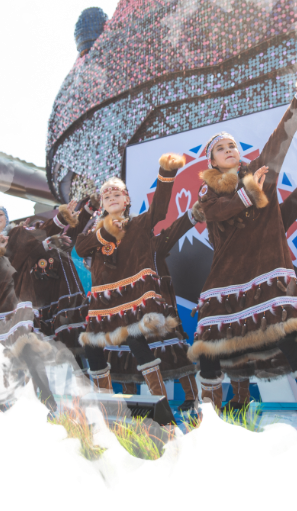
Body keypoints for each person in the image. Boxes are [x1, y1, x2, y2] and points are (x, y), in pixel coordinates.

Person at [187, 70, 297, 433]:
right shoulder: (208, 195)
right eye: (221, 148)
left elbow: (280, 142)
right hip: (225, 278)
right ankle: (215, 417)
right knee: (212, 349)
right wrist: (248, 192)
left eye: (233, 145)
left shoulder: (260, 171)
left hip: (264, 271)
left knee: (287, 336)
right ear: (212, 162)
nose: (230, 149)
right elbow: (220, 212)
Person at [216, 161, 297, 413]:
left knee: (289, 341)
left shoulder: (267, 216)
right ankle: (240, 399)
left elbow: (292, 206)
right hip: (235, 291)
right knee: (235, 344)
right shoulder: (220, 218)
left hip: (269, 290)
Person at [75, 153, 186, 399]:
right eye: (107, 197)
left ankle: (159, 402)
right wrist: (106, 231)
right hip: (104, 301)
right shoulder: (96, 234)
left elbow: (159, 210)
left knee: (136, 342)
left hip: (131, 297)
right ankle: (103, 403)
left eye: (117, 194)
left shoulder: (138, 223)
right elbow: (80, 247)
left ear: (126, 200)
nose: (112, 199)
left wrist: (166, 173)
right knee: (91, 346)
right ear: (102, 205)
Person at [0, 202, 77, 413]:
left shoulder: (18, 233)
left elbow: (42, 231)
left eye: (0, 214)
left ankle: (47, 396)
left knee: (26, 344)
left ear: (6, 219)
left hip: (18, 297)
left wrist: (63, 216)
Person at [106, 202, 205, 412]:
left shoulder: (153, 246)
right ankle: (128, 400)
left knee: (173, 350)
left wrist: (193, 215)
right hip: (130, 312)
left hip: (157, 309)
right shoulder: (118, 253)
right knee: (127, 353)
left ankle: (192, 397)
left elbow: (173, 231)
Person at [31, 194, 100, 399]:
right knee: (44, 350)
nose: (39, 231)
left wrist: (90, 207)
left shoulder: (62, 242)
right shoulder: (30, 253)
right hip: (44, 308)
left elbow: (77, 228)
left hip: (69, 300)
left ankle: (94, 392)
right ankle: (36, 393)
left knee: (84, 344)